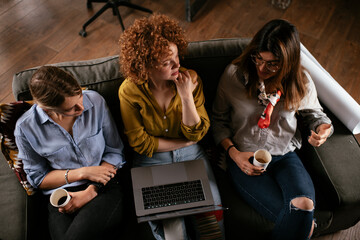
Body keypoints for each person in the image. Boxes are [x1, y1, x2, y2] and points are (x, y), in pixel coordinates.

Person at [212, 19, 333, 240]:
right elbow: (218, 121)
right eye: (258, 58)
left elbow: (316, 116)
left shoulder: (301, 81)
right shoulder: (233, 76)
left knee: (304, 206)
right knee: (301, 221)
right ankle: (307, 227)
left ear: (288, 62)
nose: (261, 68)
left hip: (285, 155)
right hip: (244, 157)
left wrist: (323, 130)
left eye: (272, 64)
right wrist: (235, 155)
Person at [118, 14, 223, 240]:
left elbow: (198, 132)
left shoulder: (190, 79)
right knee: (172, 230)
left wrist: (186, 97)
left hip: (191, 156)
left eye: (176, 56)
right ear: (145, 65)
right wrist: (184, 143)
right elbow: (139, 143)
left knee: (212, 222)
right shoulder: (129, 91)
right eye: (167, 62)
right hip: (152, 159)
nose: (177, 65)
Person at [14, 66, 126, 240]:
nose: (82, 108)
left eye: (80, 97)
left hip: (104, 183)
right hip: (61, 194)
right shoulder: (25, 129)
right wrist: (81, 173)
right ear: (46, 108)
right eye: (71, 108)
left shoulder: (95, 102)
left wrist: (91, 191)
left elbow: (115, 151)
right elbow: (38, 179)